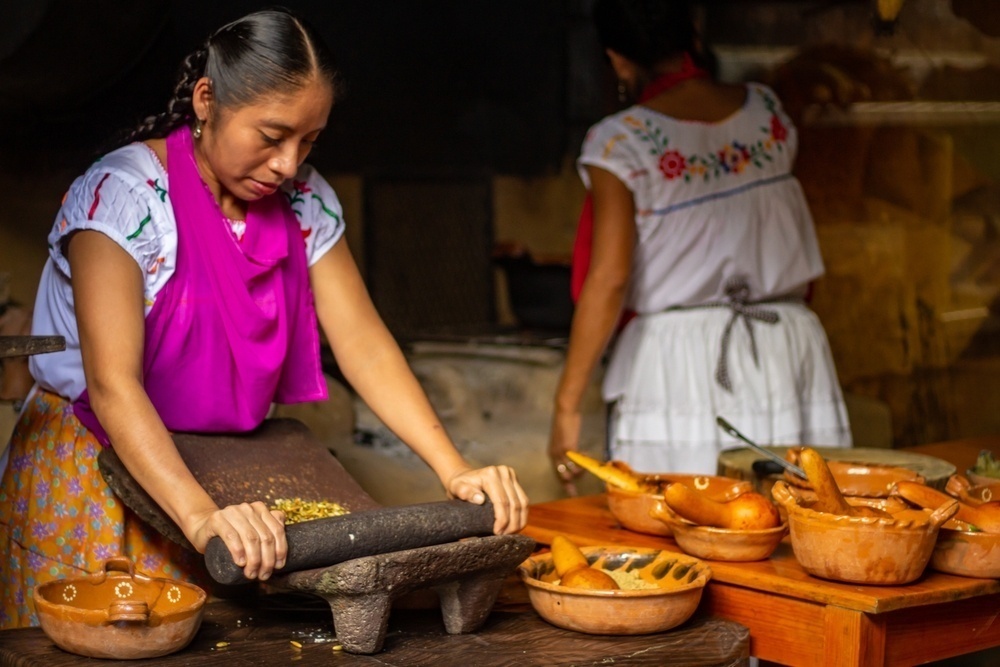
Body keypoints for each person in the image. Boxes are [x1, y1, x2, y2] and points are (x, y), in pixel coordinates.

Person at [0, 8, 528, 629]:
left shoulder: (303, 199)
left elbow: (363, 342)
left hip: (227, 480)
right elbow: (114, 384)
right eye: (272, 136)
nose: (287, 163)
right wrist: (200, 520)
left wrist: (454, 467)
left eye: (309, 140)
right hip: (100, 470)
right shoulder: (123, 198)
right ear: (206, 100)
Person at [549, 0, 851, 488]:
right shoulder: (766, 113)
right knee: (796, 517)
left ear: (618, 60)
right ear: (691, 32)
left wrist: (566, 405)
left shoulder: (619, 142)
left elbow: (609, 277)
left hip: (680, 361)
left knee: (685, 520)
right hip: (784, 343)